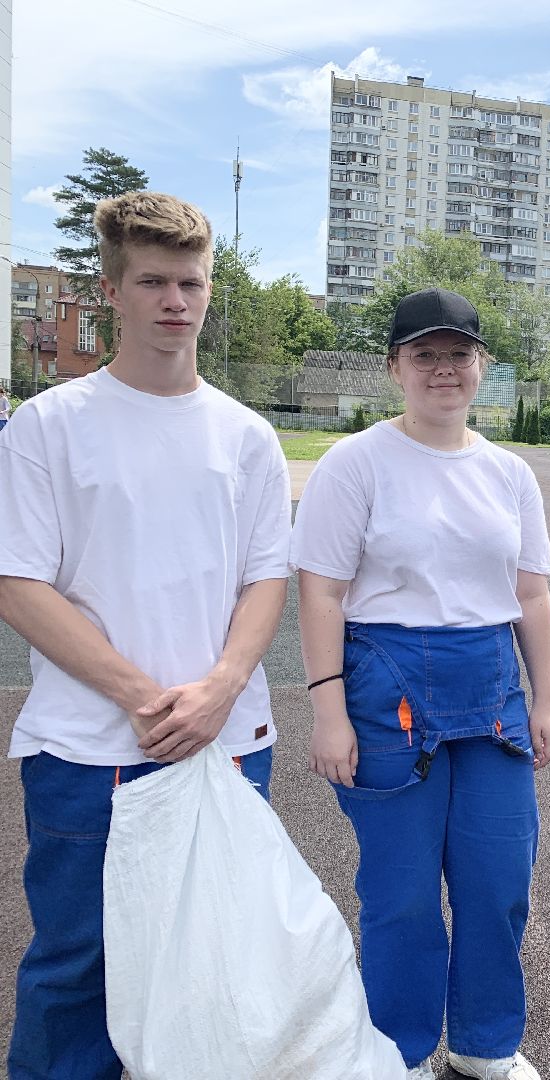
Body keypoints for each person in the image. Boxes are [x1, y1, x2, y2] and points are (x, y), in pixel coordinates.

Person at [0, 191, 291, 1079]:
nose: (176, 300)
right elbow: (17, 582)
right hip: (92, 750)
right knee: (77, 973)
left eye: (191, 282)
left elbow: (264, 578)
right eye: (154, 281)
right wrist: (143, 695)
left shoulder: (246, 436)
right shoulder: (51, 425)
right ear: (112, 291)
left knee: (211, 974)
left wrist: (220, 688)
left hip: (227, 745)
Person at [292, 287, 550, 1080]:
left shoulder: (510, 474)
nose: (443, 370)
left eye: (458, 354)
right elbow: (321, 593)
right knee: (401, 892)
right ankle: (400, 1053)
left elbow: (533, 593)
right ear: (394, 367)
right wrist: (327, 712)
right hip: (387, 685)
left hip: (492, 688)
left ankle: (485, 1047)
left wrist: (545, 699)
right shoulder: (357, 463)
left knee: (498, 878)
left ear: (481, 366)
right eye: (424, 355)